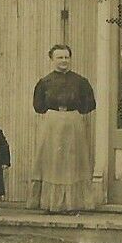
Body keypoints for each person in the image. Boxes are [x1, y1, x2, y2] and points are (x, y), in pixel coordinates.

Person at [29, 44, 96, 213]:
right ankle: (50, 203)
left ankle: (73, 204)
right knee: (52, 161)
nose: (64, 61)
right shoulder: (44, 82)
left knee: (73, 161)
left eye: (66, 57)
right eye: (60, 57)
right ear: (52, 59)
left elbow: (90, 104)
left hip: (73, 121)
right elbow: (38, 106)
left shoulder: (81, 81)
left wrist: (75, 108)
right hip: (52, 122)